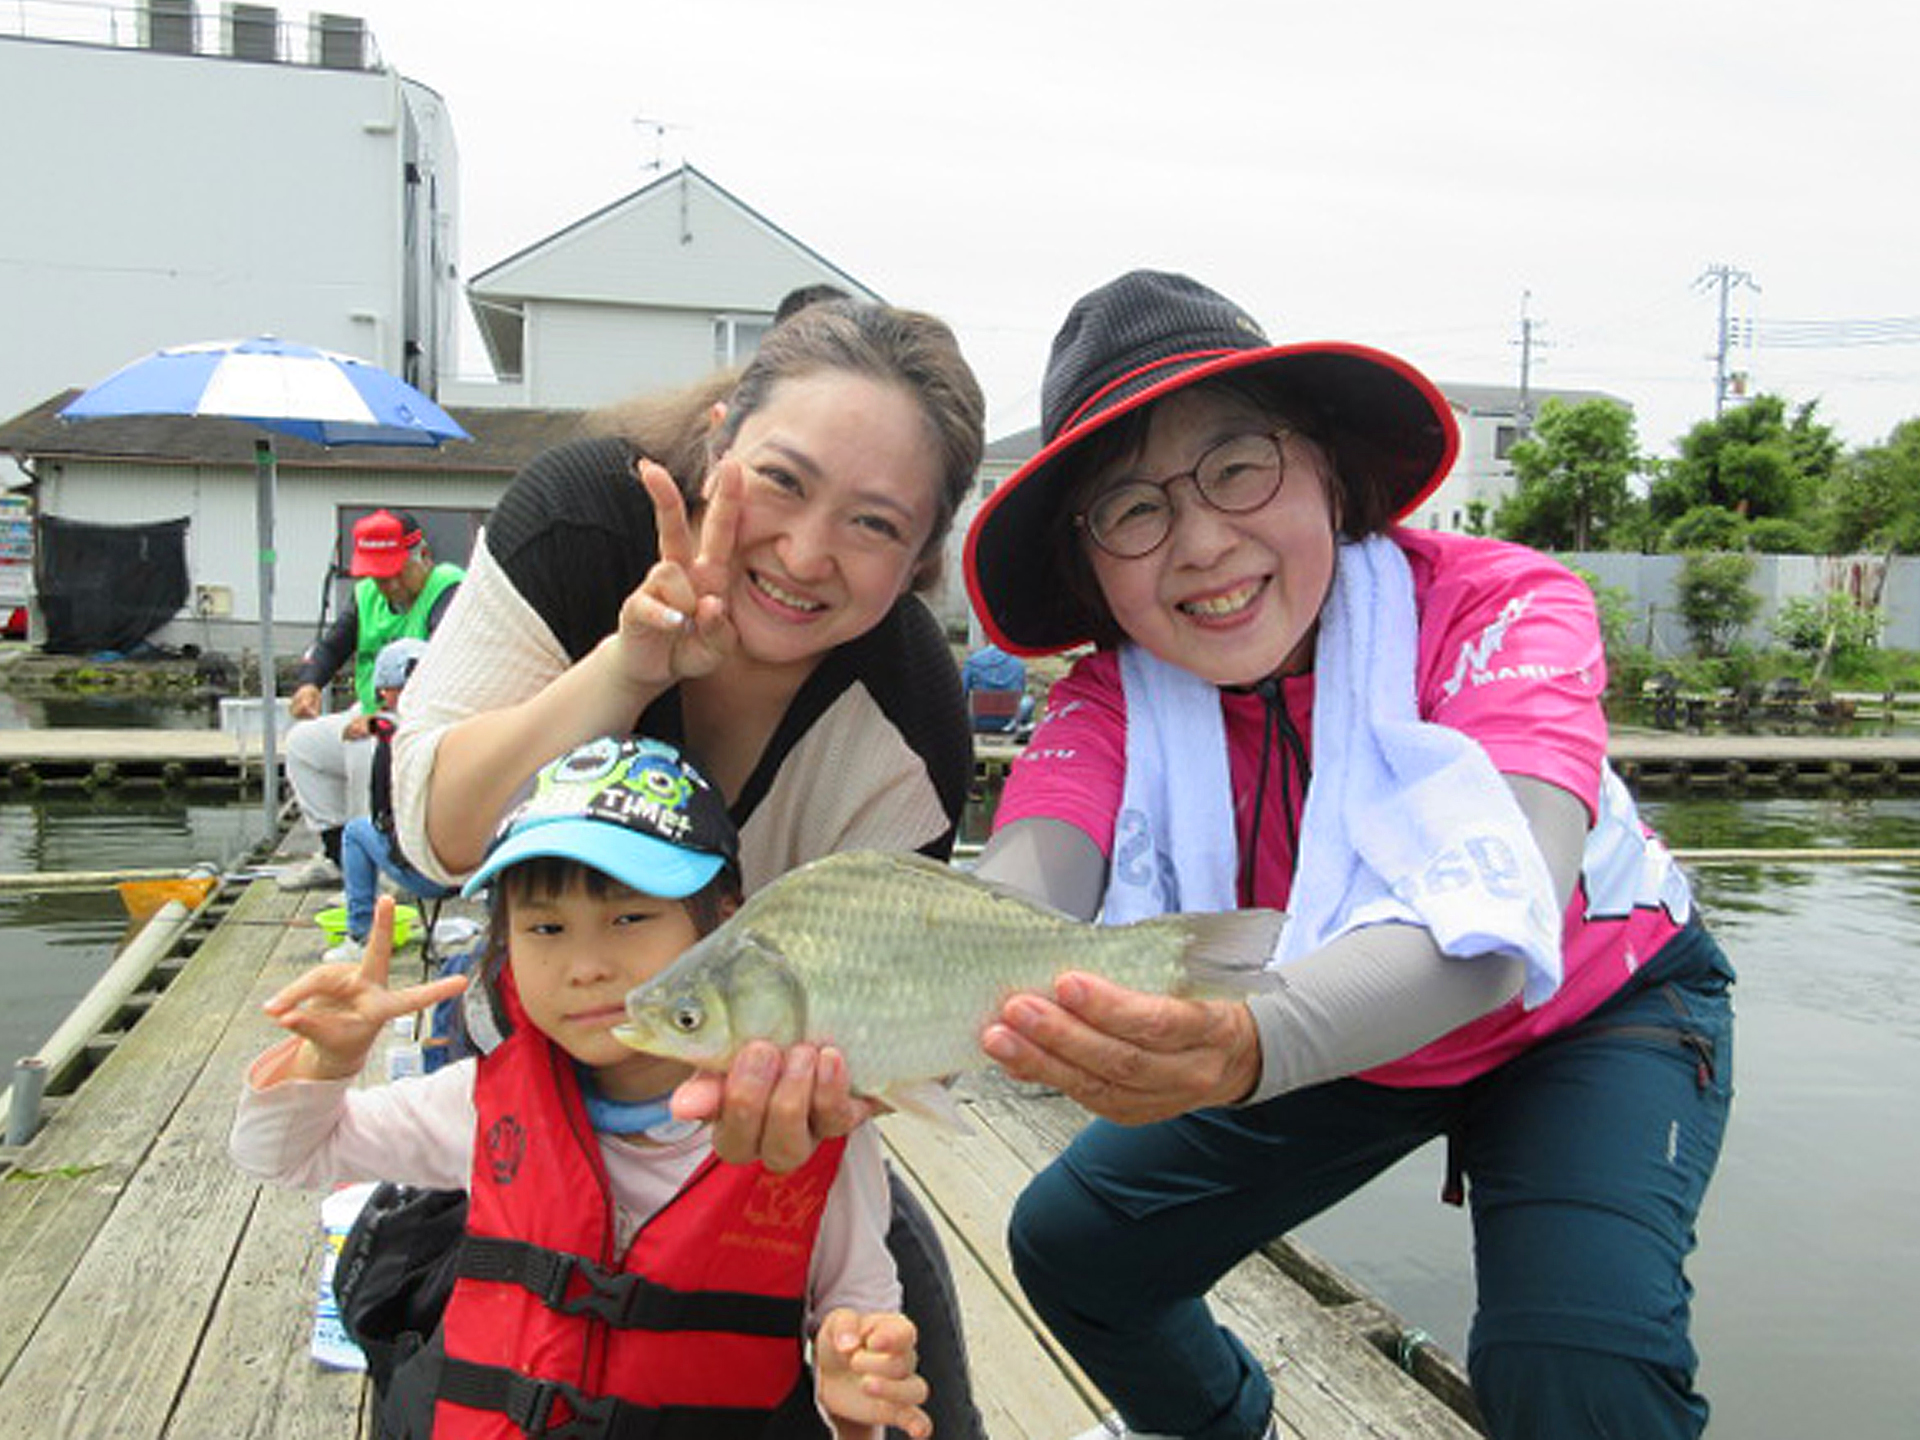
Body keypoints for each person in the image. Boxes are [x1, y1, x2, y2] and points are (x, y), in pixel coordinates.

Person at [949, 269, 1735, 1440]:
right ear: (1089, 562)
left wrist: (1243, 1041)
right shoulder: (1108, 701)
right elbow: (1026, 886)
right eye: (1132, 510)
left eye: (1239, 466)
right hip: (1320, 1020)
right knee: (1079, 1248)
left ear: (1324, 464)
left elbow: (1502, 908)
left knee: (1579, 1364)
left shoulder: (1505, 610)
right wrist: (891, 995)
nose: (1204, 543)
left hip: (1589, 1008)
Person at [389, 296, 989, 1436]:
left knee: (917, 1399)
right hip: (528, 1077)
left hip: (753, 1125)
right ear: (720, 442)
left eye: (874, 525)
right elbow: (434, 832)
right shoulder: (579, 526)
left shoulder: (908, 723)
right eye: (783, 480)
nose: (806, 553)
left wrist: (821, 1102)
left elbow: (887, 1024)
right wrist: (625, 668)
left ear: (920, 559)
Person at [231, 736, 932, 1439]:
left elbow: (862, 1300)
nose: (586, 965)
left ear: (726, 922)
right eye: (545, 927)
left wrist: (852, 1381)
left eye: (629, 917)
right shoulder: (477, 1104)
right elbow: (280, 1152)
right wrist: (328, 1062)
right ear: (505, 943)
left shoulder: (811, 1117)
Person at [278, 509, 464, 890]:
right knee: (303, 746)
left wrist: (383, 715)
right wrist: (309, 684)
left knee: (367, 749)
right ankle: (338, 858)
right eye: (379, 576)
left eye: (397, 572)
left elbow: (442, 669)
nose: (389, 584)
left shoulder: (449, 589)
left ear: (423, 557)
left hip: (427, 719)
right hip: (372, 710)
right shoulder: (367, 596)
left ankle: (384, 869)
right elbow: (332, 647)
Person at [324, 636, 451, 964]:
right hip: (475, 874)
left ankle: (361, 935)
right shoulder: (459, 728)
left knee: (355, 831)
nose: (382, 695)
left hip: (428, 874)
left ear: (393, 692)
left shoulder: (392, 738)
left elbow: (382, 814)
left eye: (385, 689)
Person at [960, 640, 1034, 734]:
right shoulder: (1018, 663)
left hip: (978, 722)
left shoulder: (973, 661)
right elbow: (1021, 690)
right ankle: (1021, 730)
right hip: (1009, 722)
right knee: (1028, 700)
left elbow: (962, 693)